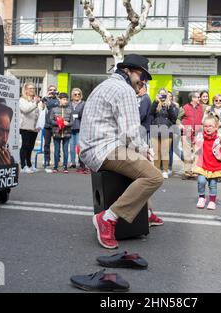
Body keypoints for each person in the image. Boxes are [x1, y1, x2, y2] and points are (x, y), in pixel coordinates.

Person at [79, 54, 164, 250]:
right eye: (142, 77)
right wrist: (143, 149)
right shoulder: (124, 90)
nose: (142, 83)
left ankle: (146, 212)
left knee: (142, 167)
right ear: (128, 71)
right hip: (103, 148)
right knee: (154, 177)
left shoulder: (105, 85)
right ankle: (107, 218)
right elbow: (130, 132)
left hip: (94, 147)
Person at [193, 113, 221, 210]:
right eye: (205, 126)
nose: (208, 128)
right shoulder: (201, 137)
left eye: (210, 126)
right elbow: (195, 144)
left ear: (216, 127)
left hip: (215, 165)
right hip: (203, 164)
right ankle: (201, 198)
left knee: (212, 184)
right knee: (201, 181)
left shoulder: (219, 138)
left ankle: (212, 201)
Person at [148, 88, 178, 179]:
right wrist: (155, 102)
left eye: (164, 95)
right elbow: (150, 113)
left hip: (167, 130)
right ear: (158, 95)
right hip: (155, 130)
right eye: (160, 95)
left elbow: (174, 118)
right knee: (157, 152)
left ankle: (165, 170)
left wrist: (169, 106)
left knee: (165, 151)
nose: (162, 97)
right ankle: (156, 171)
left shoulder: (171, 105)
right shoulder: (156, 104)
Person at [177, 91, 204, 180]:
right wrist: (181, 126)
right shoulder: (184, 107)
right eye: (197, 97)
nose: (199, 99)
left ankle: (195, 172)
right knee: (187, 153)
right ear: (192, 98)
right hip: (186, 130)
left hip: (198, 130)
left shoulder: (202, 107)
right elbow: (177, 119)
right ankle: (187, 172)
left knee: (198, 153)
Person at [19, 82, 42, 174]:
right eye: (30, 88)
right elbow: (25, 110)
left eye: (33, 88)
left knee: (31, 147)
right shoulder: (22, 100)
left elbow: (38, 113)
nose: (33, 90)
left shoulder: (35, 100)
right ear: (25, 90)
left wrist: (41, 106)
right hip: (25, 126)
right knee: (25, 146)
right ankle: (23, 166)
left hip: (34, 127)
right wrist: (35, 103)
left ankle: (29, 164)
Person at [50, 93, 74, 174]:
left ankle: (65, 167)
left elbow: (72, 122)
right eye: (64, 99)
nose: (66, 101)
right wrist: (59, 123)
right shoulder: (54, 109)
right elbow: (51, 121)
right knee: (56, 150)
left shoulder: (70, 110)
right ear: (59, 99)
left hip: (67, 133)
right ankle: (55, 167)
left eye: (66, 99)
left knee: (65, 151)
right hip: (57, 132)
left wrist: (67, 123)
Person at [68, 88, 87, 172]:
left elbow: (84, 114)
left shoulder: (84, 103)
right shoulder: (69, 104)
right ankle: (72, 162)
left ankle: (81, 163)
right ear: (72, 95)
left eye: (78, 94)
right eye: (75, 94)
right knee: (72, 147)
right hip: (70, 127)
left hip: (80, 128)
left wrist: (77, 115)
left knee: (79, 147)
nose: (77, 96)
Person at [42, 85, 60, 173]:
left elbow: (59, 106)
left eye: (54, 90)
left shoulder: (58, 99)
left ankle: (58, 160)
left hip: (56, 125)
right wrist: (46, 96)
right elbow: (44, 105)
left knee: (57, 144)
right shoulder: (45, 99)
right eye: (51, 90)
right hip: (47, 125)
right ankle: (47, 160)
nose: (52, 91)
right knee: (47, 144)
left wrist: (58, 96)